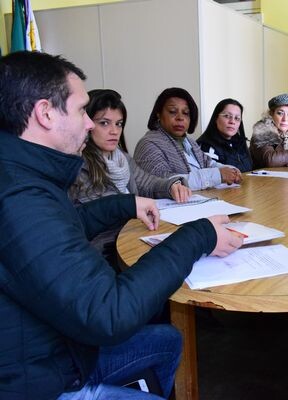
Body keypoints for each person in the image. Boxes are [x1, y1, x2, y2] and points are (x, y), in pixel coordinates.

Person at [0, 51, 243, 399]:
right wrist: (200, 235)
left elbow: (65, 226)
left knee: (167, 339)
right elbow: (110, 313)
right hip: (43, 382)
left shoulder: (22, 175)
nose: (89, 124)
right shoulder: (20, 196)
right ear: (45, 113)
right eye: (82, 111)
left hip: (61, 349)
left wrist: (126, 203)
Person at [70, 89, 192, 266]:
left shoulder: (122, 157)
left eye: (119, 124)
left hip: (136, 235)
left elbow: (147, 182)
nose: (114, 131)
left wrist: (171, 185)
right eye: (104, 123)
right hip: (105, 252)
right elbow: (106, 213)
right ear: (87, 123)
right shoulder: (79, 165)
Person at [134, 87, 242, 189]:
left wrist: (230, 170)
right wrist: (217, 175)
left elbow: (208, 163)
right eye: (172, 111)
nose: (180, 118)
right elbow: (163, 183)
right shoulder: (148, 144)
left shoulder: (189, 142)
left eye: (186, 113)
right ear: (158, 114)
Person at [197, 98, 253, 172]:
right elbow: (210, 176)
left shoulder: (240, 144)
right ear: (216, 118)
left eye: (237, 118)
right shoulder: (206, 147)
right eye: (227, 116)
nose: (232, 121)